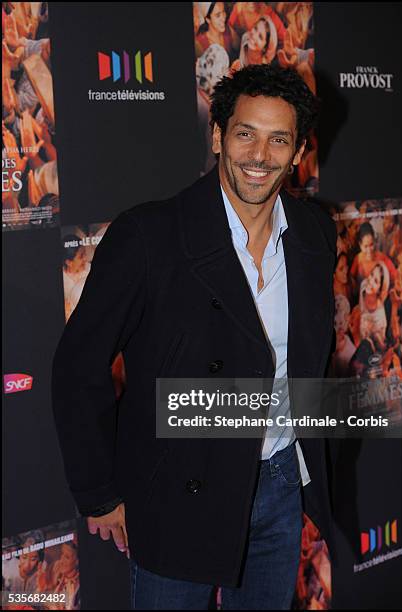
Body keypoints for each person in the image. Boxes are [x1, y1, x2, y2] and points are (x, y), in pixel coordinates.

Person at [51, 64, 337, 610]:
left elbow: (306, 361)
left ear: (298, 152)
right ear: (217, 137)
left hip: (277, 486)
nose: (260, 155)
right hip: (177, 492)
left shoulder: (314, 234)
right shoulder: (150, 234)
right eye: (245, 133)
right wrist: (99, 493)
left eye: (279, 139)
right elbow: (78, 366)